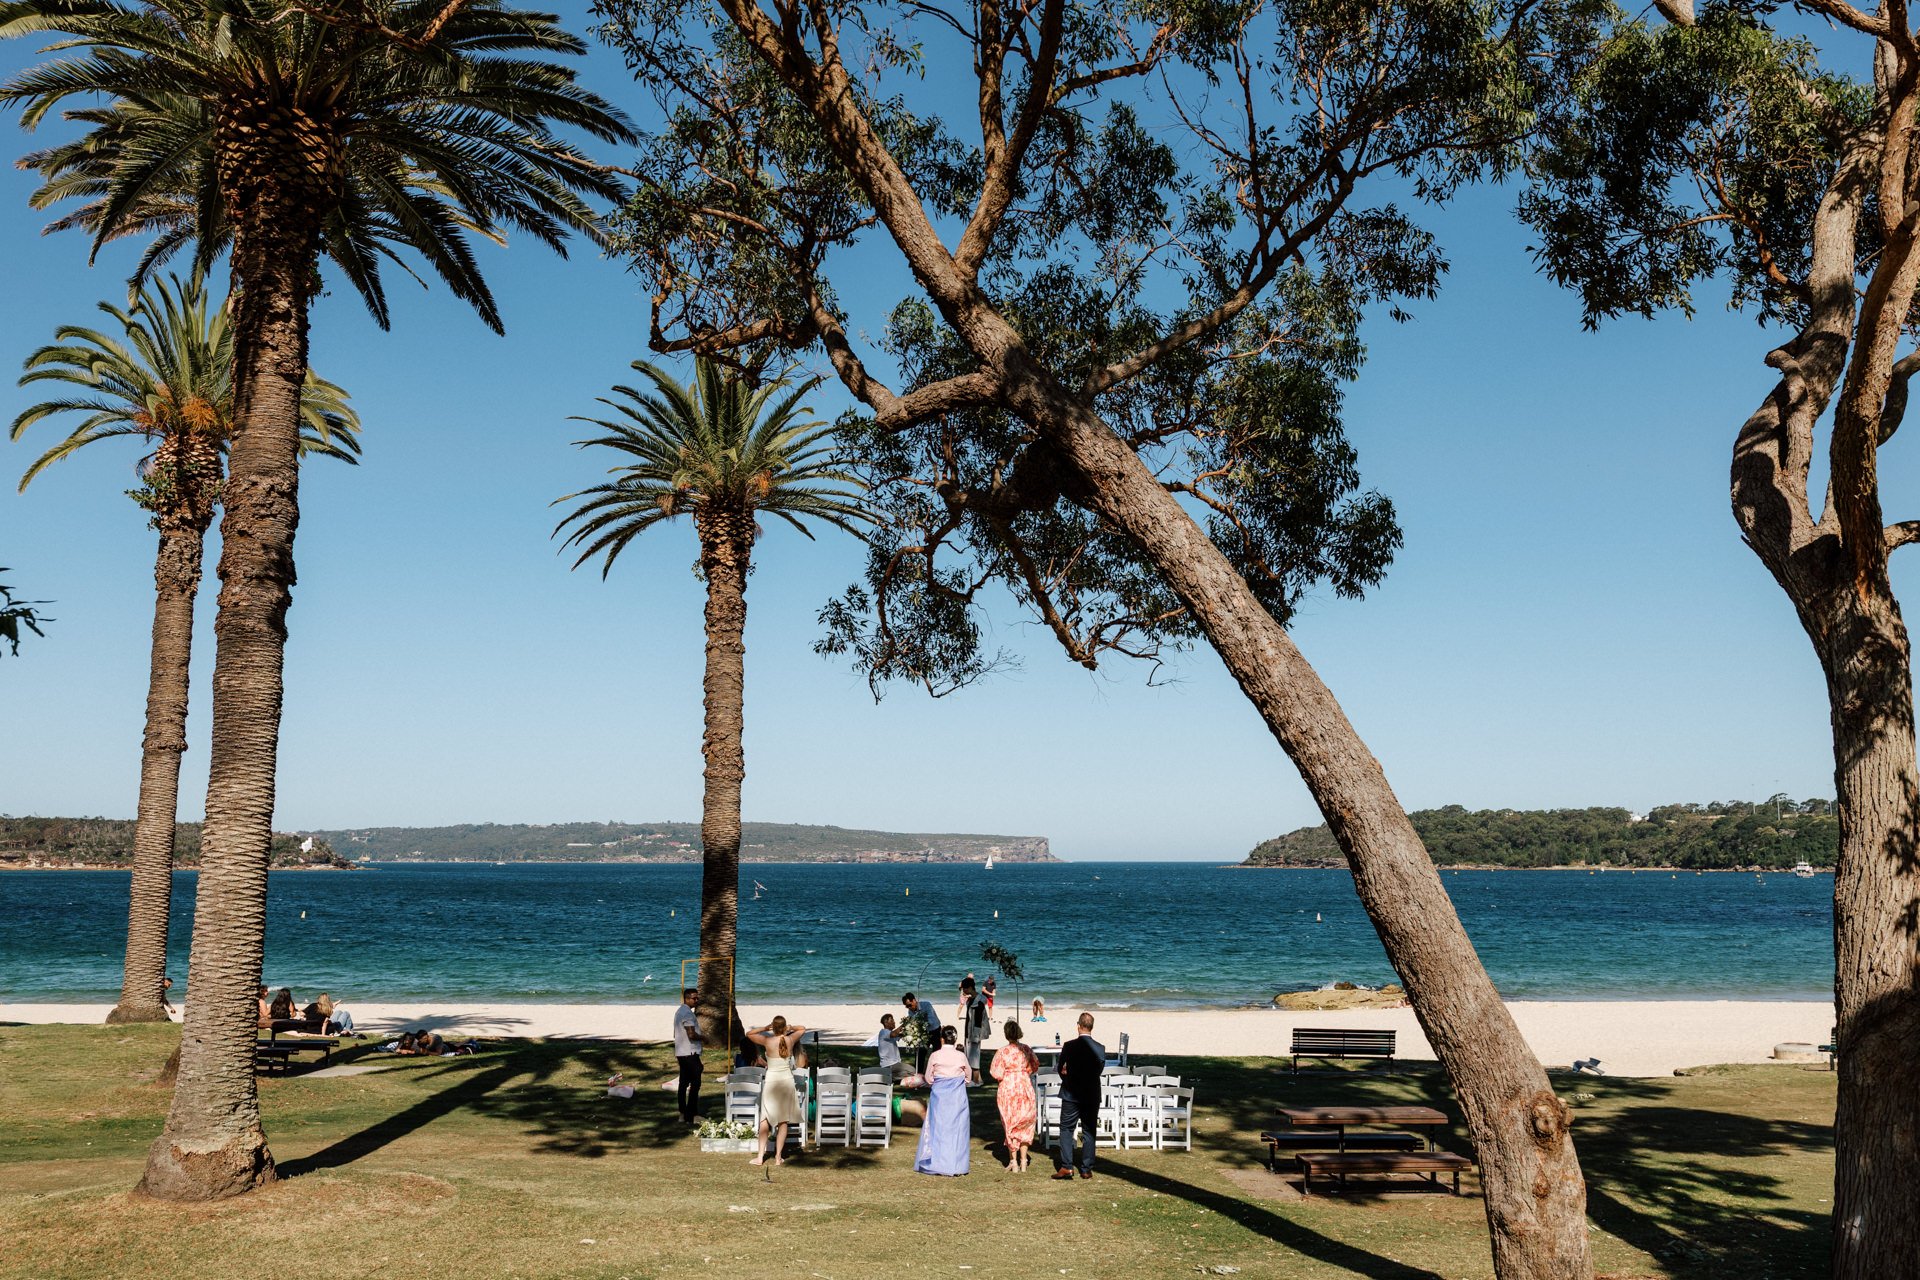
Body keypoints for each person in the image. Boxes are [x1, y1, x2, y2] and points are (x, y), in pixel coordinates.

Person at [745, 1016, 806, 1166]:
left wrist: (765, 1028)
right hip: (786, 1081)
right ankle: (778, 1157)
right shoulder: (790, 1040)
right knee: (783, 1121)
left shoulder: (767, 1041)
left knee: (765, 1119)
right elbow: (802, 1028)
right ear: (784, 1027)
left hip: (772, 1081)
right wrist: (791, 1028)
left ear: (773, 1027)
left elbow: (749, 1034)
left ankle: (760, 1157)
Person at [1052, 1013, 1104, 1180]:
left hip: (1071, 1093)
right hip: (1091, 1094)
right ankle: (1086, 1168)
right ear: (1092, 1027)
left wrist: (1067, 1079)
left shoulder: (1069, 1046)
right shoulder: (1100, 1048)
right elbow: (1098, 1071)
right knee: (1089, 1131)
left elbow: (1060, 1068)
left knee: (1067, 1129)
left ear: (1078, 1026)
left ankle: (1067, 1166)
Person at [914, 1026, 972, 1176]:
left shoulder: (935, 1056)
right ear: (955, 1040)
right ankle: (956, 1164)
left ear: (941, 1039)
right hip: (957, 1096)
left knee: (938, 1128)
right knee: (958, 1129)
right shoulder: (960, 1056)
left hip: (940, 1096)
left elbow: (928, 1078)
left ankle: (937, 1162)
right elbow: (969, 1076)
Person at [991, 1020, 1039, 1172]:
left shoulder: (1002, 1052)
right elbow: (1035, 1065)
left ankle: (1014, 1161)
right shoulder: (1026, 1049)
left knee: (1010, 1123)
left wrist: (1009, 1073)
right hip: (1024, 1086)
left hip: (1008, 1088)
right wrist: (1023, 1072)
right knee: (1025, 1123)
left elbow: (996, 1073)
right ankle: (1023, 1160)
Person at [673, 987, 705, 1125]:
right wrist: (704, 1038)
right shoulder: (687, 1013)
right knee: (695, 1083)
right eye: (694, 998)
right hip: (690, 1052)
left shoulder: (680, 1011)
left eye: (697, 998)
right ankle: (691, 1115)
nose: (696, 1000)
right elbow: (691, 1034)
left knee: (683, 1083)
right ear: (686, 999)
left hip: (682, 1052)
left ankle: (683, 1113)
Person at [959, 976, 989, 1084]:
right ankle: (977, 1079)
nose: (963, 991)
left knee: (974, 1057)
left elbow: (978, 1020)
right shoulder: (971, 999)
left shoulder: (978, 1001)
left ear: (970, 987)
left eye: (965, 988)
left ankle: (976, 1080)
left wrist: (975, 1035)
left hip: (974, 1032)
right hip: (968, 1031)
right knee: (969, 1056)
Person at [902, 992, 941, 1072]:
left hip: (935, 1030)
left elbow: (931, 1021)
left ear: (914, 1000)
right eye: (906, 1006)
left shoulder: (926, 1005)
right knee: (920, 1053)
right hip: (923, 1033)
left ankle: (937, 1072)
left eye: (909, 1005)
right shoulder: (910, 1011)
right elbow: (912, 1022)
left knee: (937, 1053)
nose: (909, 1008)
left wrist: (919, 1022)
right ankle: (919, 1072)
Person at [876, 1013, 904, 1081]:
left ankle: (891, 1076)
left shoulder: (889, 1033)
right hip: (889, 1064)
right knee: (912, 1071)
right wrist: (904, 1024)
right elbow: (894, 1034)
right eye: (891, 1021)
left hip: (895, 1064)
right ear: (886, 1023)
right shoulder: (884, 1032)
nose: (894, 1022)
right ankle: (890, 1077)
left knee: (910, 1071)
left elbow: (899, 1035)